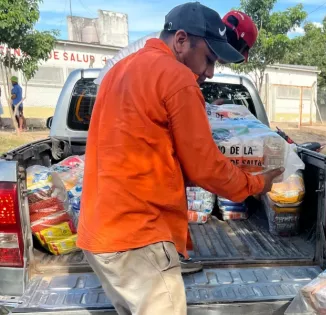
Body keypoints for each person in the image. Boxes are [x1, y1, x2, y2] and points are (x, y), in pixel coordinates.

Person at [77, 3, 283, 315]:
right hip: (139, 238)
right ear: (182, 40)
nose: (210, 72)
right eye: (209, 59)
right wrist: (256, 184)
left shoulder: (120, 70)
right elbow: (206, 168)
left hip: (100, 235)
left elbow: (148, 150)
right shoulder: (177, 78)